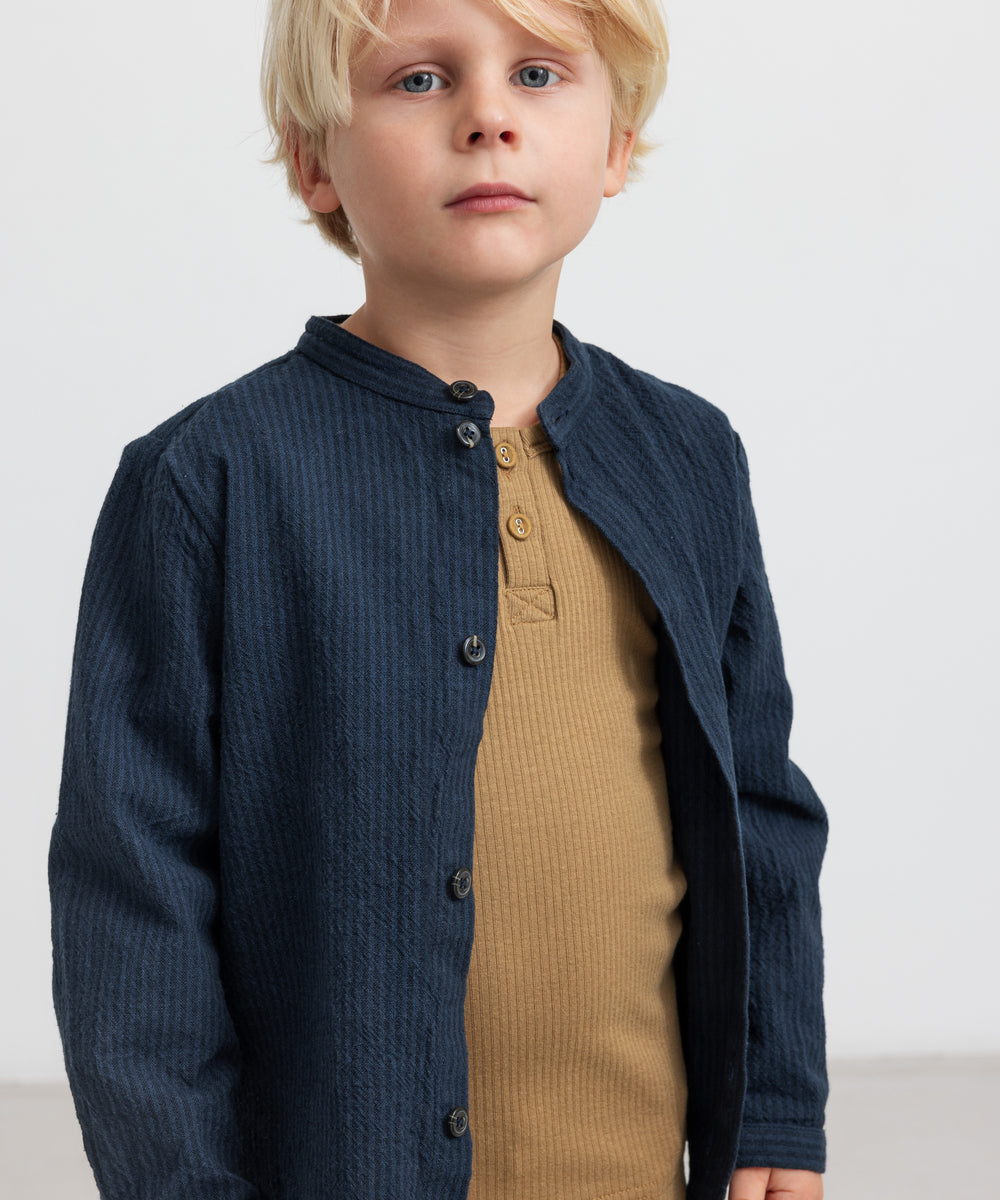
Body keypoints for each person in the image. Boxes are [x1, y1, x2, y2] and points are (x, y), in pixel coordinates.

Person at [47, 0, 828, 1196]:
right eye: (419, 80)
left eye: (538, 75)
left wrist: (773, 1110)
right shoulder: (210, 479)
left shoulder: (687, 456)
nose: (487, 119)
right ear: (315, 163)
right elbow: (131, 898)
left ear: (615, 145)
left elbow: (758, 812)